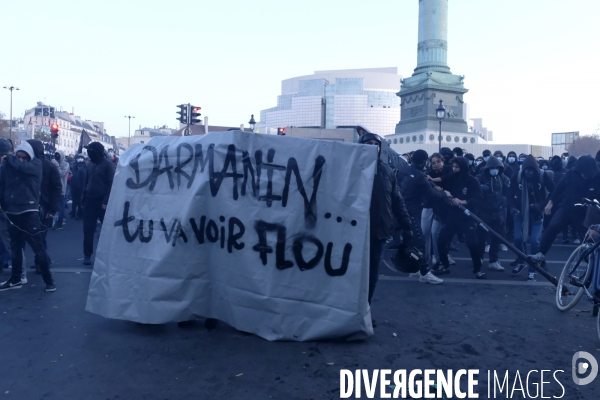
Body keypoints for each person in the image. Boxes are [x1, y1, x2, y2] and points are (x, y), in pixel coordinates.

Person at [358, 133, 413, 303]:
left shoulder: (388, 171)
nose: (373, 146)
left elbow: (397, 201)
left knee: (372, 274)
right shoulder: (351, 168)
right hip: (355, 231)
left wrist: (407, 226)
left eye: (376, 143)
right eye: (369, 143)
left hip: (379, 230)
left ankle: (365, 310)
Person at [0, 141, 56, 292]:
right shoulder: (10, 166)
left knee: (38, 248)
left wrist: (10, 158)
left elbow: (23, 167)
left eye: (24, 157)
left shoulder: (36, 164)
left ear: (30, 156)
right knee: (16, 248)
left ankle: (49, 280)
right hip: (12, 211)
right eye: (18, 156)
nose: (21, 160)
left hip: (29, 212)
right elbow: (3, 185)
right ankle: (16, 279)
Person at [531, 156, 600, 266]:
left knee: (591, 237)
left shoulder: (598, 178)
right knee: (553, 226)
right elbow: (559, 188)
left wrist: (596, 223)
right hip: (567, 208)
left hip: (586, 212)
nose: (584, 175)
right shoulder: (571, 173)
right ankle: (541, 254)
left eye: (586, 174)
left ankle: (593, 262)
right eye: (582, 173)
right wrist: (551, 202)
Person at [397, 150, 448, 284]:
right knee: (420, 243)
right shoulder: (420, 176)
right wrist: (444, 194)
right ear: (424, 161)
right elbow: (432, 195)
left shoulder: (404, 169)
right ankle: (424, 273)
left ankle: (414, 269)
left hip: (401, 210)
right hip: (413, 211)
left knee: (410, 241)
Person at [434, 157, 486, 279]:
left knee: (472, 244)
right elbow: (443, 191)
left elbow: (478, 199)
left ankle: (477, 269)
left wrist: (463, 201)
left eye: (457, 167)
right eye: (453, 167)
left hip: (467, 216)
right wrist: (445, 195)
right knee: (441, 241)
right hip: (452, 216)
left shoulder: (473, 181)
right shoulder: (451, 178)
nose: (454, 169)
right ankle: (445, 266)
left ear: (463, 167)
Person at [507, 155, 555, 280]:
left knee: (535, 241)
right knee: (517, 239)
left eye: (531, 171)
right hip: (520, 212)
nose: (529, 173)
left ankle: (532, 268)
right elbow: (509, 195)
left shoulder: (543, 176)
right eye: (526, 171)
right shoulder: (516, 176)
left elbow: (554, 192)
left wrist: (541, 205)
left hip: (536, 214)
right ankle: (522, 260)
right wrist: (512, 208)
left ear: (535, 170)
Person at [26, 140, 62, 274]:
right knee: (35, 237)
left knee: (40, 237)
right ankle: (41, 261)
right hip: (34, 205)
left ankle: (42, 263)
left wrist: (52, 209)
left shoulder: (49, 166)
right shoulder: (29, 164)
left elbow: (57, 188)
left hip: (44, 207)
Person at [82, 142, 116, 265]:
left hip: (102, 201)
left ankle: (108, 254)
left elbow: (112, 184)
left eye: (90, 151)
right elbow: (86, 181)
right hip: (89, 200)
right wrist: (83, 198)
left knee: (107, 230)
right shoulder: (91, 164)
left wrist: (106, 201)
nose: (88, 154)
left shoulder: (108, 165)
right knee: (88, 229)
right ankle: (87, 254)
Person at [476, 156, 509, 271]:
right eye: (492, 167)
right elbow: (472, 190)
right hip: (483, 212)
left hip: (498, 211)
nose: (494, 169)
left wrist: (504, 200)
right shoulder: (480, 177)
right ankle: (479, 258)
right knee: (481, 237)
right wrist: (479, 188)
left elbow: (508, 191)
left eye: (497, 167)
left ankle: (493, 260)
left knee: (497, 237)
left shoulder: (503, 178)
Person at [422, 153, 454, 269]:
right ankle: (428, 257)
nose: (435, 165)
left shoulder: (449, 169)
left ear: (443, 161)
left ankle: (440, 256)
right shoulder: (428, 172)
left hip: (446, 206)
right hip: (431, 204)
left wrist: (433, 181)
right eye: (433, 162)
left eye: (438, 162)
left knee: (439, 233)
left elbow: (446, 178)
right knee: (429, 233)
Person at [52, 150, 70, 230]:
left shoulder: (66, 164)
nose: (57, 157)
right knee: (53, 205)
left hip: (61, 187)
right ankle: (52, 221)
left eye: (58, 155)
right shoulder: (54, 163)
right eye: (56, 155)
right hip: (53, 187)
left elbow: (61, 174)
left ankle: (60, 222)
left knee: (61, 206)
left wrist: (56, 166)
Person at [69, 154, 86, 219]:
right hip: (74, 185)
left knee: (80, 201)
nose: (80, 159)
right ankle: (73, 212)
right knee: (74, 199)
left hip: (81, 186)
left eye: (81, 157)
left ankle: (80, 213)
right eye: (79, 157)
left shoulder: (84, 166)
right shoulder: (75, 165)